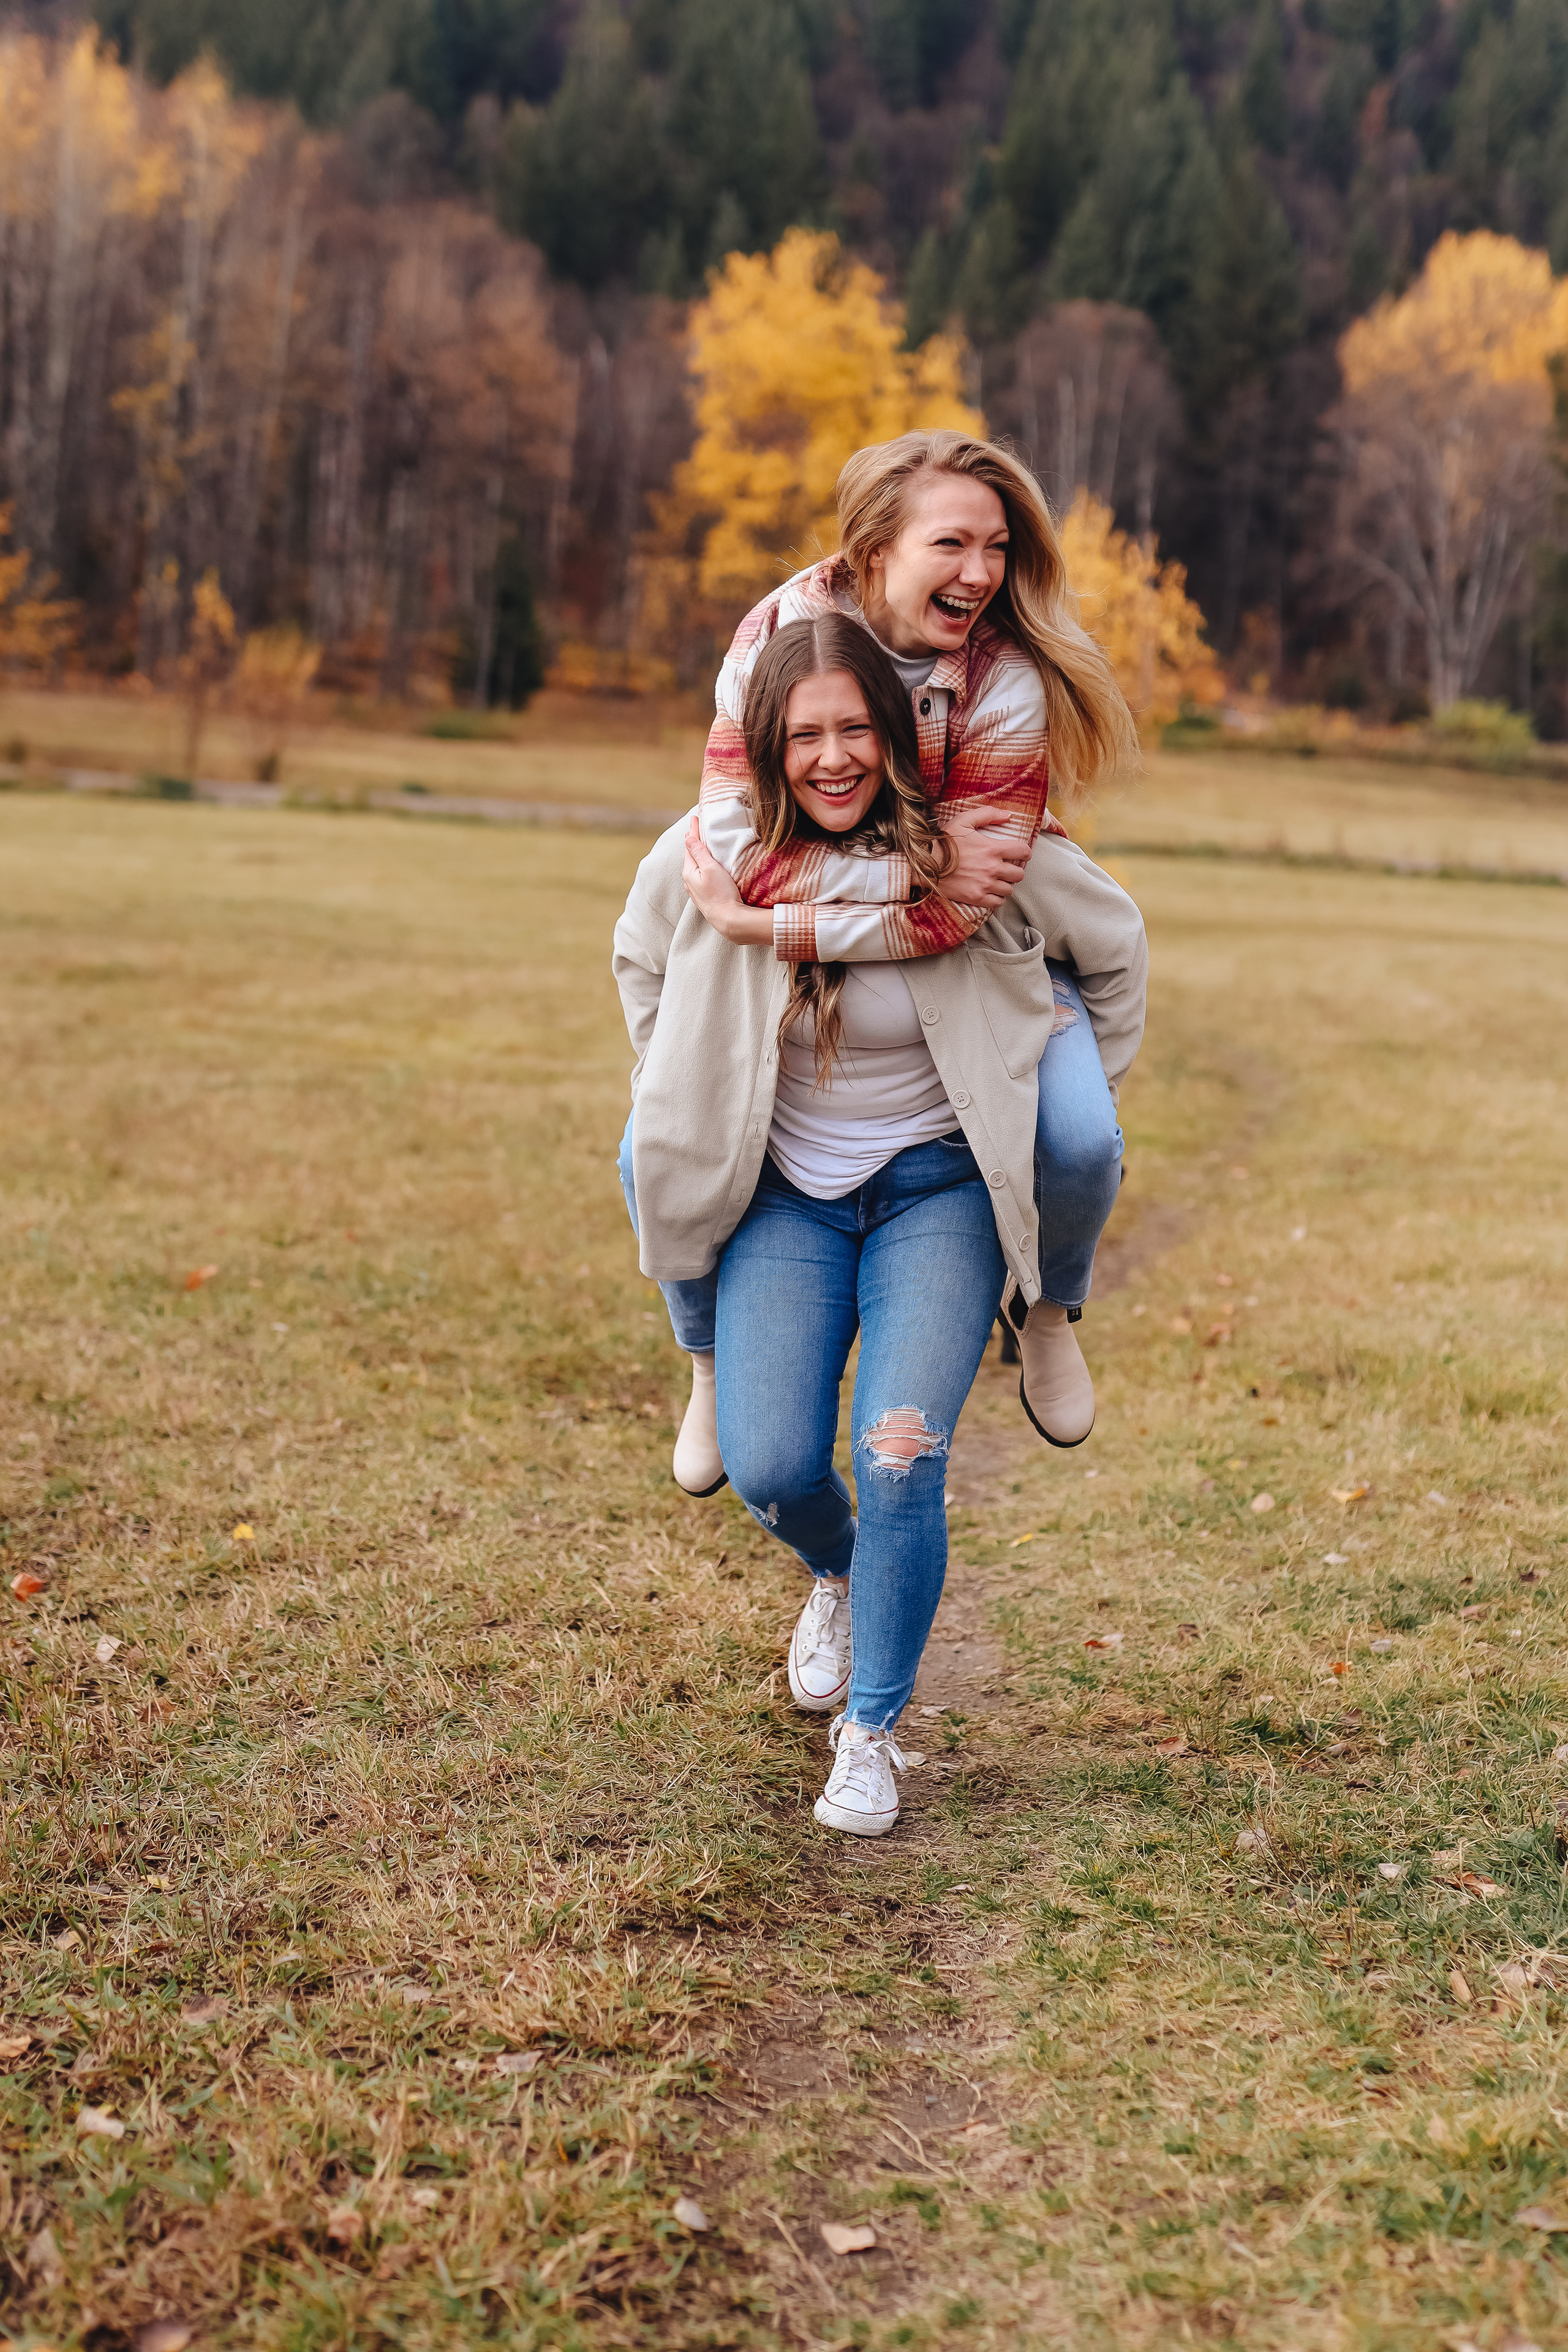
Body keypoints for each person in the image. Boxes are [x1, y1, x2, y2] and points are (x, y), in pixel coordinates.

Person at [613, 614, 1145, 1836]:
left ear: (897, 737)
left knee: (899, 1455)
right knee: (776, 1467)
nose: (834, 756)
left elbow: (1112, 948)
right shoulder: (714, 853)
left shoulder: (969, 860)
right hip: (786, 1199)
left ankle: (872, 1733)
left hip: (935, 1195)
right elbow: (640, 958)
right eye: (805, 735)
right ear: (766, 746)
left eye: (856, 728)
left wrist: (1062, 1085)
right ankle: (837, 1572)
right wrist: (693, 1077)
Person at [625, 428, 1140, 1496]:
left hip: (988, 944)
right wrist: (890, 878)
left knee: (1084, 1139)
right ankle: (709, 1359)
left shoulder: (1003, 679)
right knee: (651, 1147)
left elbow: (961, 903)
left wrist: (776, 923)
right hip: (870, 898)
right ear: (872, 551)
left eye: (997, 548)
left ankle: (1046, 1309)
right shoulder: (776, 631)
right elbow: (733, 854)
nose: (983, 574)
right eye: (953, 544)